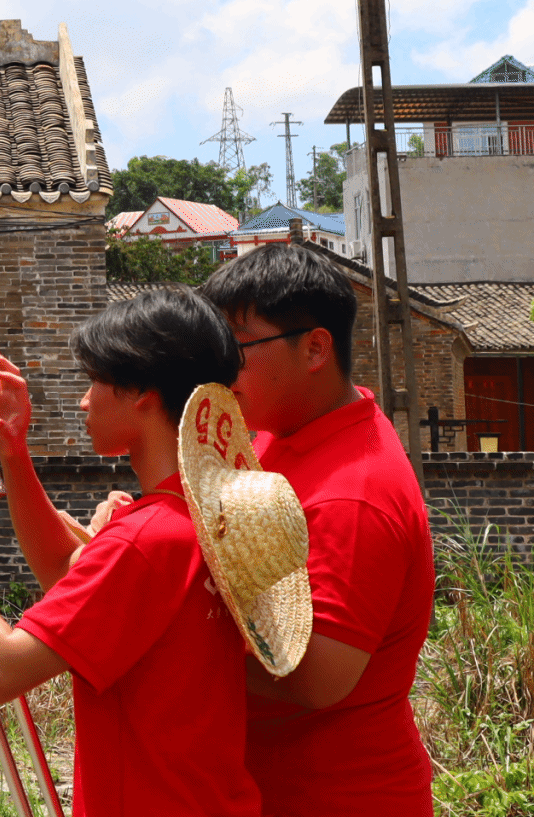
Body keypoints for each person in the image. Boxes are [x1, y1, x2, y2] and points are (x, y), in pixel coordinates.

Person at [0, 290, 262, 816]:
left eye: (94, 380)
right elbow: (62, 575)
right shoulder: (204, 517)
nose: (84, 402)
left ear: (141, 391)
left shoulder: (141, 540)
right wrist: (13, 451)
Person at [202, 243, 435, 816]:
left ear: (314, 348)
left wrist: (171, 637)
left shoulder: (354, 495)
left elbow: (314, 679)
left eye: (236, 349)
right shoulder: (276, 432)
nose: (220, 370)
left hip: (338, 795)